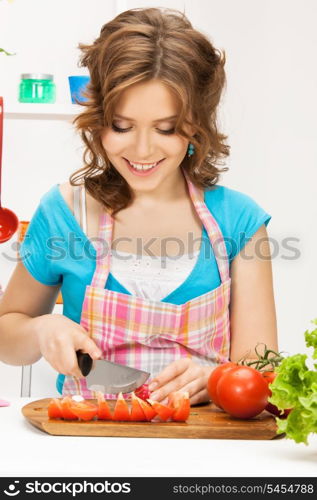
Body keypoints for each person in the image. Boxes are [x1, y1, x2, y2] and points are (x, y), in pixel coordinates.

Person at [0, 7, 278, 405]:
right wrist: (41, 330)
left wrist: (214, 379)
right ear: (97, 120)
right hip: (86, 441)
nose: (143, 150)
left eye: (166, 128)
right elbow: (6, 336)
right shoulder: (62, 213)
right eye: (121, 126)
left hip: (206, 448)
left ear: (197, 124)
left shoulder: (240, 221)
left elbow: (262, 372)